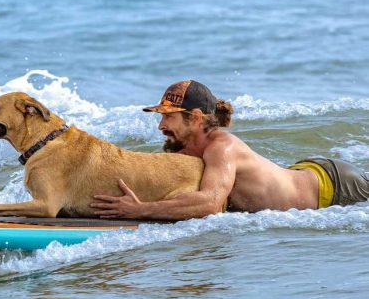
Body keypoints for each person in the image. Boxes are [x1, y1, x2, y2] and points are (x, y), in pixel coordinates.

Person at [90, 80, 369, 220]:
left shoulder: (222, 147)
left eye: (168, 117)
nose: (161, 125)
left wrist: (141, 210)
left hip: (333, 186)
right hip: (301, 172)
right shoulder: (182, 150)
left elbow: (209, 203)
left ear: (196, 118)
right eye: (160, 117)